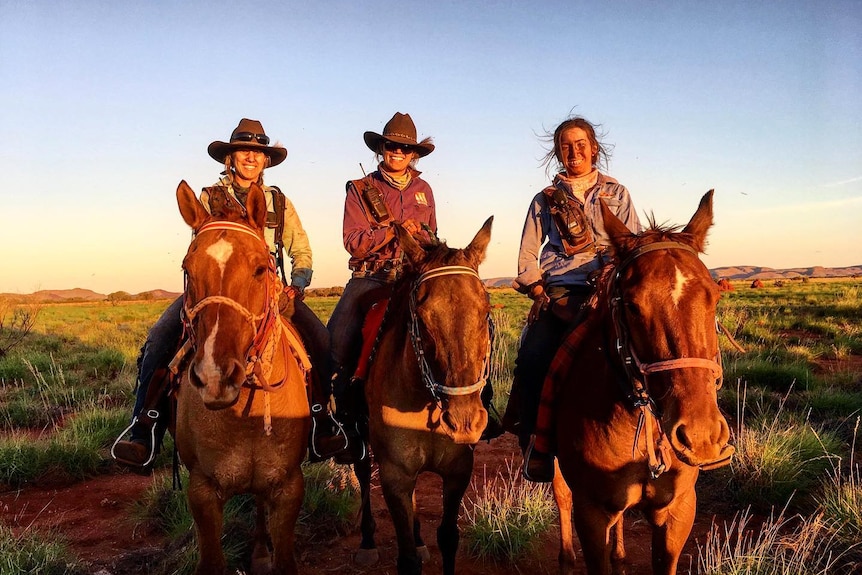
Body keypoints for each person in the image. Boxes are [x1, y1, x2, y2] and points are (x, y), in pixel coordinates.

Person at [112, 118, 347, 470]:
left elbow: (303, 250)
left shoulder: (279, 202)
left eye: (257, 152)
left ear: (266, 160)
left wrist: (296, 285)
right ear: (230, 157)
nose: (250, 157)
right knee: (160, 339)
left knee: (321, 341)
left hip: (268, 291)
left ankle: (322, 421)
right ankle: (143, 426)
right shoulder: (208, 197)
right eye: (243, 151)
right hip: (216, 290)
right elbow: (201, 249)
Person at [503, 116, 641, 482]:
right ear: (558, 152)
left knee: (652, 347)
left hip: (610, 288)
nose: (574, 151)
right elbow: (526, 257)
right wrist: (538, 292)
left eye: (581, 144)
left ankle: (670, 434)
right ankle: (536, 443)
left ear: (594, 148)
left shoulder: (618, 193)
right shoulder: (543, 201)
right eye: (566, 145)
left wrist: (613, 276)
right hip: (562, 290)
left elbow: (632, 244)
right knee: (533, 358)